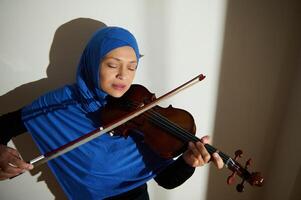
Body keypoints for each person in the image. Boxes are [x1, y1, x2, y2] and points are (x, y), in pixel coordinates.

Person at [0, 26, 223, 199]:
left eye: (132, 66)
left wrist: (188, 161)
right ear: (93, 62)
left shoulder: (140, 111)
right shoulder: (60, 104)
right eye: (112, 65)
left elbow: (166, 180)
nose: (123, 75)